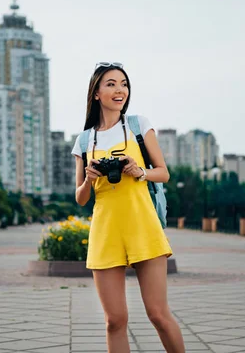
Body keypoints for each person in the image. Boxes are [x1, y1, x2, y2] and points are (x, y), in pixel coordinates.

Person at [71, 62, 185, 352]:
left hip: (142, 225)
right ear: (96, 93)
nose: (119, 89)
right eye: (110, 84)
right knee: (115, 320)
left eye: (123, 83)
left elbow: (164, 172)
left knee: (158, 314)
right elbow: (81, 198)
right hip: (106, 232)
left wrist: (139, 171)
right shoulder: (84, 141)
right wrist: (89, 179)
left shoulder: (138, 125)